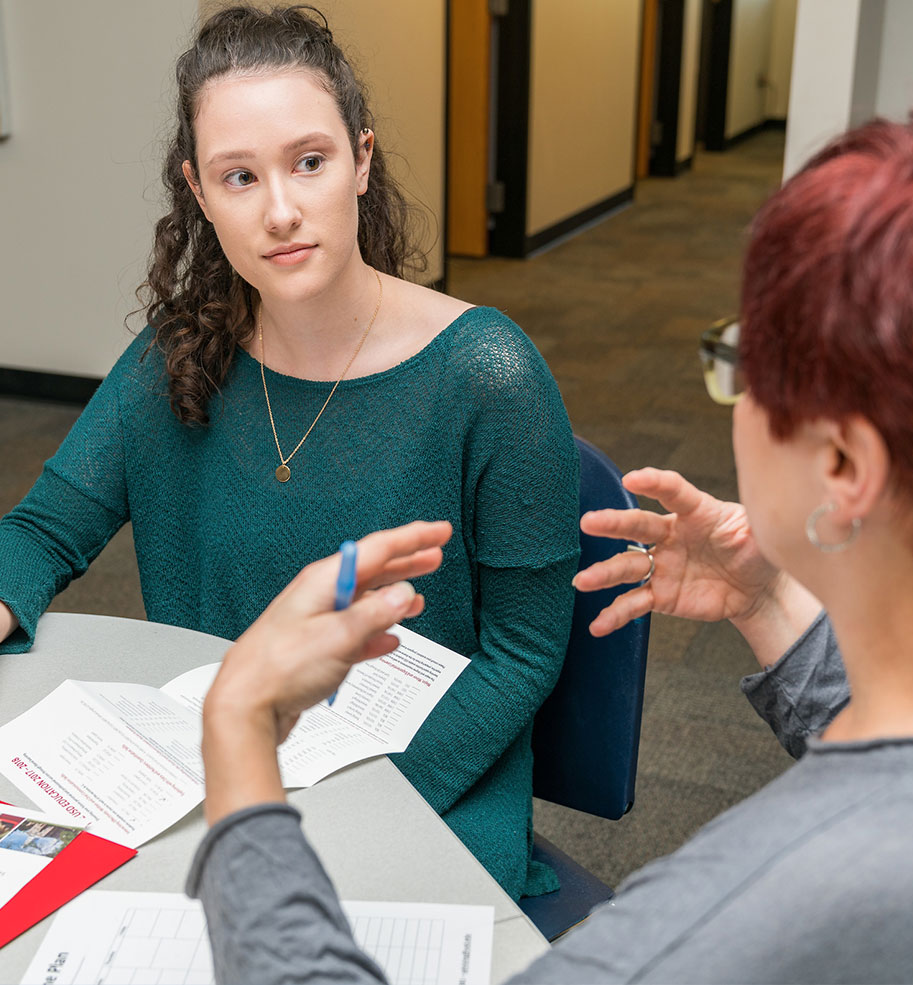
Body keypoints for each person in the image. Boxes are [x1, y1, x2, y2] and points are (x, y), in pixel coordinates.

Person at [188, 113, 913, 983]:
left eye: (747, 363)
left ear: (843, 464)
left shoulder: (756, 900)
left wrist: (242, 729)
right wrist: (771, 600)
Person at [0, 5, 580, 901]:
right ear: (198, 191)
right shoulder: (177, 357)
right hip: (213, 771)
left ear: (362, 159)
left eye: (309, 162)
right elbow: (42, 531)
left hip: (422, 787)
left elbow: (525, 651)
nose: (280, 210)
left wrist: (363, 808)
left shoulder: (488, 375)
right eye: (239, 177)